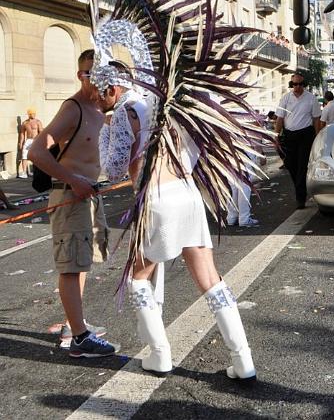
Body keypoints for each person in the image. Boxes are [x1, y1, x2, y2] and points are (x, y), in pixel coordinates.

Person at [97, 60, 257, 378]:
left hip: (155, 200)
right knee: (211, 279)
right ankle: (243, 361)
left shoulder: (123, 115)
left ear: (112, 89)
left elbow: (112, 168)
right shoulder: (164, 107)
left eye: (98, 95)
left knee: (138, 278)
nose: (96, 101)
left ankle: (159, 355)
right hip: (187, 193)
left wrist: (105, 130)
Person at [27, 49, 115, 358]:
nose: (100, 80)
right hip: (69, 196)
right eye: (93, 73)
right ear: (81, 75)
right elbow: (37, 152)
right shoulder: (74, 108)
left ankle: (72, 324)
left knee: (82, 262)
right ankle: (79, 338)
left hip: (88, 196)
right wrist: (74, 180)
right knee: (70, 266)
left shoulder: (98, 109)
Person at [275, 73, 321, 209]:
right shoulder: (285, 98)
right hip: (290, 135)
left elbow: (316, 119)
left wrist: (317, 135)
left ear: (303, 84)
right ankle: (300, 187)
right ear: (291, 85)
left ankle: (300, 198)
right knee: (290, 164)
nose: (297, 87)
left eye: (300, 84)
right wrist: (276, 135)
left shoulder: (311, 98)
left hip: (305, 134)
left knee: (302, 166)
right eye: (294, 84)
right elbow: (279, 118)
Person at [18, 108, 43, 178]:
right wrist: (20, 143)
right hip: (28, 140)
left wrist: (40, 141)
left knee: (36, 156)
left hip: (36, 140)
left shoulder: (38, 122)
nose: (34, 115)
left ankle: (37, 172)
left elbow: (41, 132)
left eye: (35, 113)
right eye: (32, 113)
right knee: (24, 155)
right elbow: (22, 134)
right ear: (29, 114)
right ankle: (24, 173)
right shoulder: (25, 123)